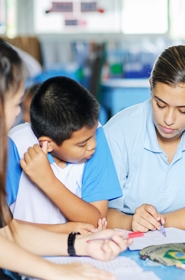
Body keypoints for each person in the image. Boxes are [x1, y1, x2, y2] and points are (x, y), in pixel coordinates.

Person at [0, 38, 131, 279]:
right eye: (16, 103)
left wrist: (76, 243)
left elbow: (6, 234)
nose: (19, 113)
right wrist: (60, 271)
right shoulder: (14, 145)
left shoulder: (94, 137)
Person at [104, 45, 185, 232]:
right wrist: (130, 222)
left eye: (183, 110)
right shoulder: (119, 132)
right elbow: (97, 213)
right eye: (160, 104)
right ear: (150, 85)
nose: (169, 120)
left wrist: (154, 223)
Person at [6, 76, 122, 234]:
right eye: (82, 144)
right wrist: (63, 230)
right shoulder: (14, 145)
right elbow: (4, 229)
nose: (93, 145)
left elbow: (97, 220)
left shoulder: (91, 133)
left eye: (94, 135)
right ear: (48, 143)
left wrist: (48, 181)